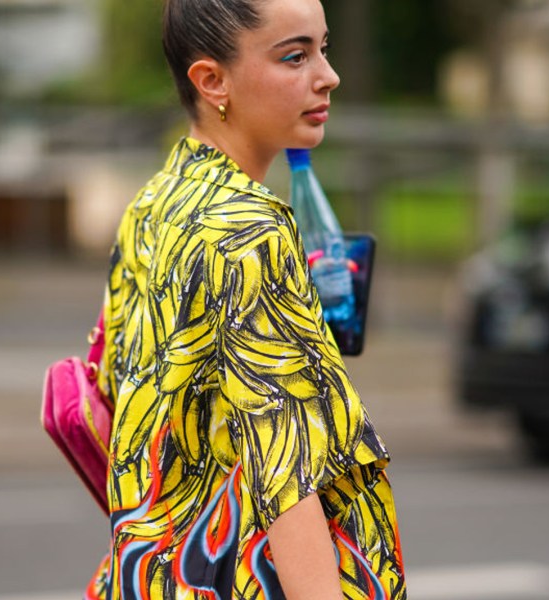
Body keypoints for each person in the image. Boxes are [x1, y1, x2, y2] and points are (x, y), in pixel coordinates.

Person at [87, 0, 407, 597]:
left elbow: (119, 403)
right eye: (295, 56)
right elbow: (287, 475)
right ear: (212, 81)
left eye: (323, 47)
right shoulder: (250, 230)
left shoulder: (155, 202)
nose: (327, 75)